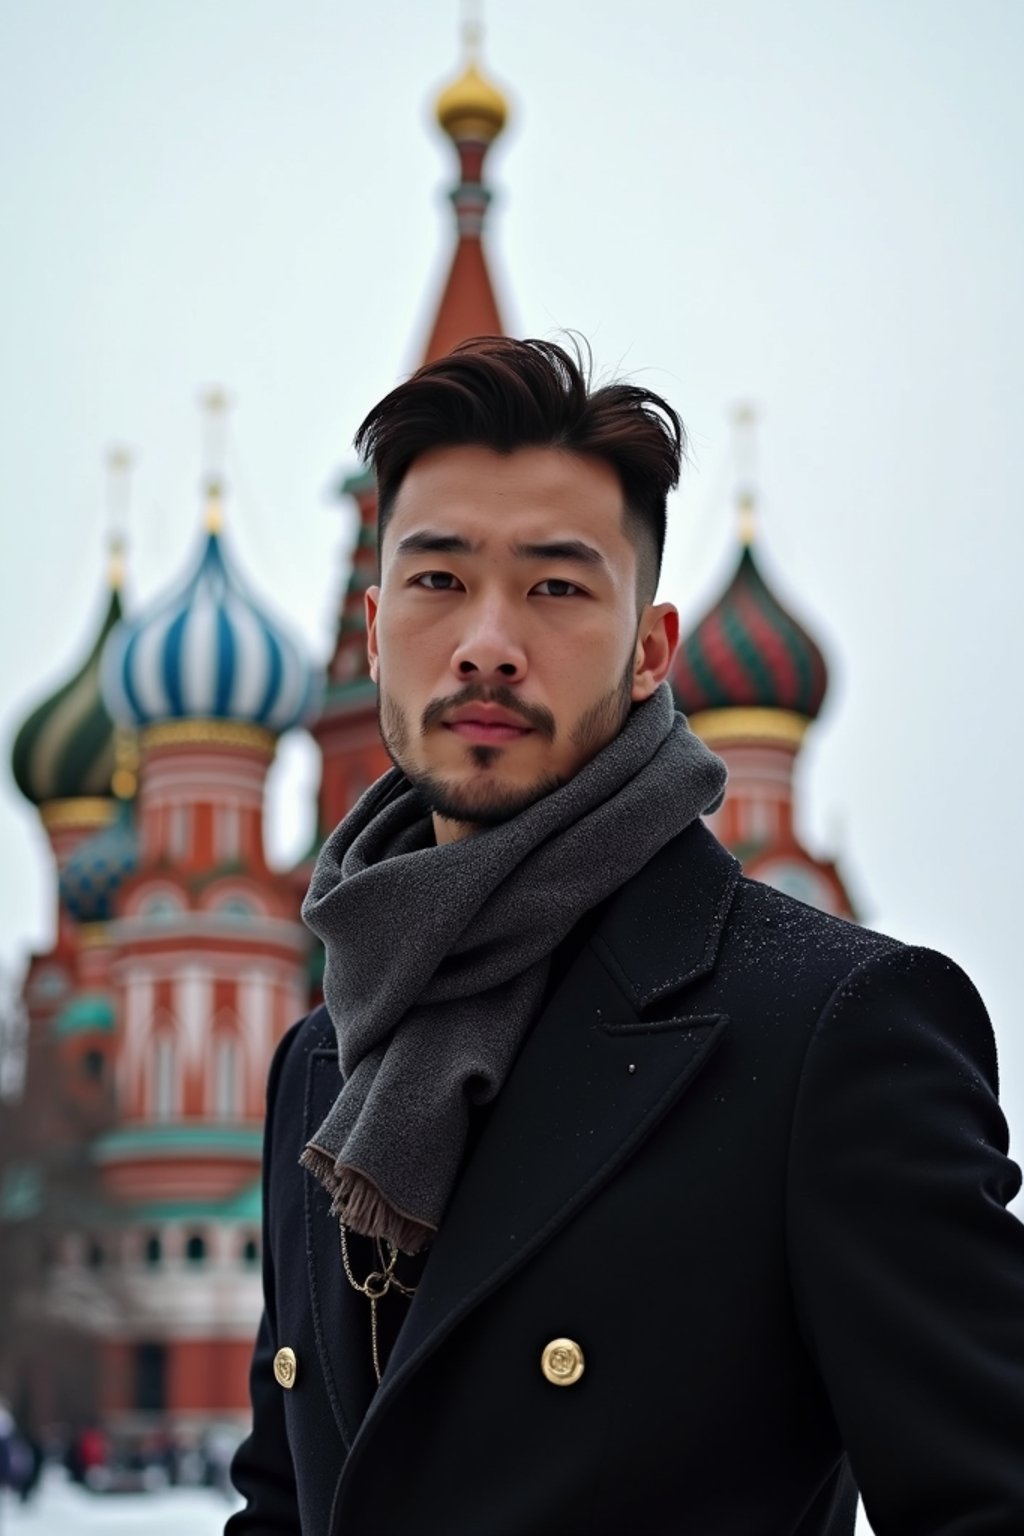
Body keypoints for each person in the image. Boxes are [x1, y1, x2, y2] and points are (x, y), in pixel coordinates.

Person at [227, 337, 1024, 1535]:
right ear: (377, 623)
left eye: (555, 586)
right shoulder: (323, 1056)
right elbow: (286, 1503)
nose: (487, 641)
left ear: (650, 651)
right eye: (439, 580)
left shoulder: (830, 1030)